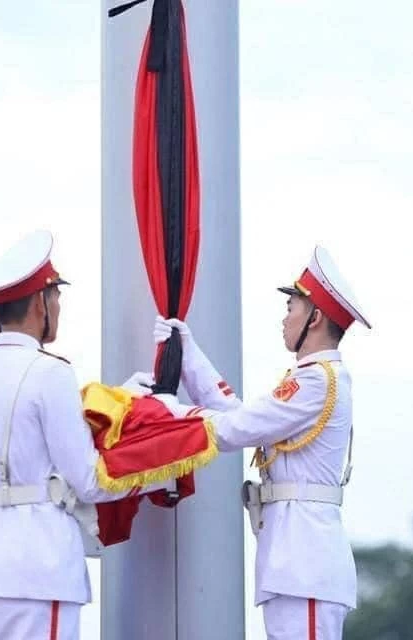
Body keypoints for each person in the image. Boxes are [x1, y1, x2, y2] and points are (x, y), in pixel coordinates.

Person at [147, 245, 370, 640]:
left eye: (292, 308)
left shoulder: (316, 380)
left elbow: (237, 429)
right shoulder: (310, 378)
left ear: (315, 317)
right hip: (294, 564)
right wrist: (189, 354)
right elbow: (239, 416)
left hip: (306, 566)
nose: (284, 318)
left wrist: (168, 415)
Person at [0, 230, 162, 640]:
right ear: (38, 302)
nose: (59, 306)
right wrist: (159, 465)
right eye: (56, 296)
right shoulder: (50, 372)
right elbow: (88, 479)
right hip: (38, 565)